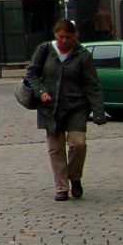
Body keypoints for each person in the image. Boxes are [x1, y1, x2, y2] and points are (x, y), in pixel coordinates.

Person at [25, 18, 107, 201]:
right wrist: (40, 92)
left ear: (74, 36)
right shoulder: (45, 50)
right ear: (56, 35)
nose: (64, 41)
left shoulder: (83, 55)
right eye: (61, 37)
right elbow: (32, 73)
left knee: (78, 144)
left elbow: (92, 84)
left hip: (76, 106)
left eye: (68, 37)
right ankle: (61, 187)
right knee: (56, 148)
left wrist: (99, 111)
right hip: (50, 107)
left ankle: (75, 177)